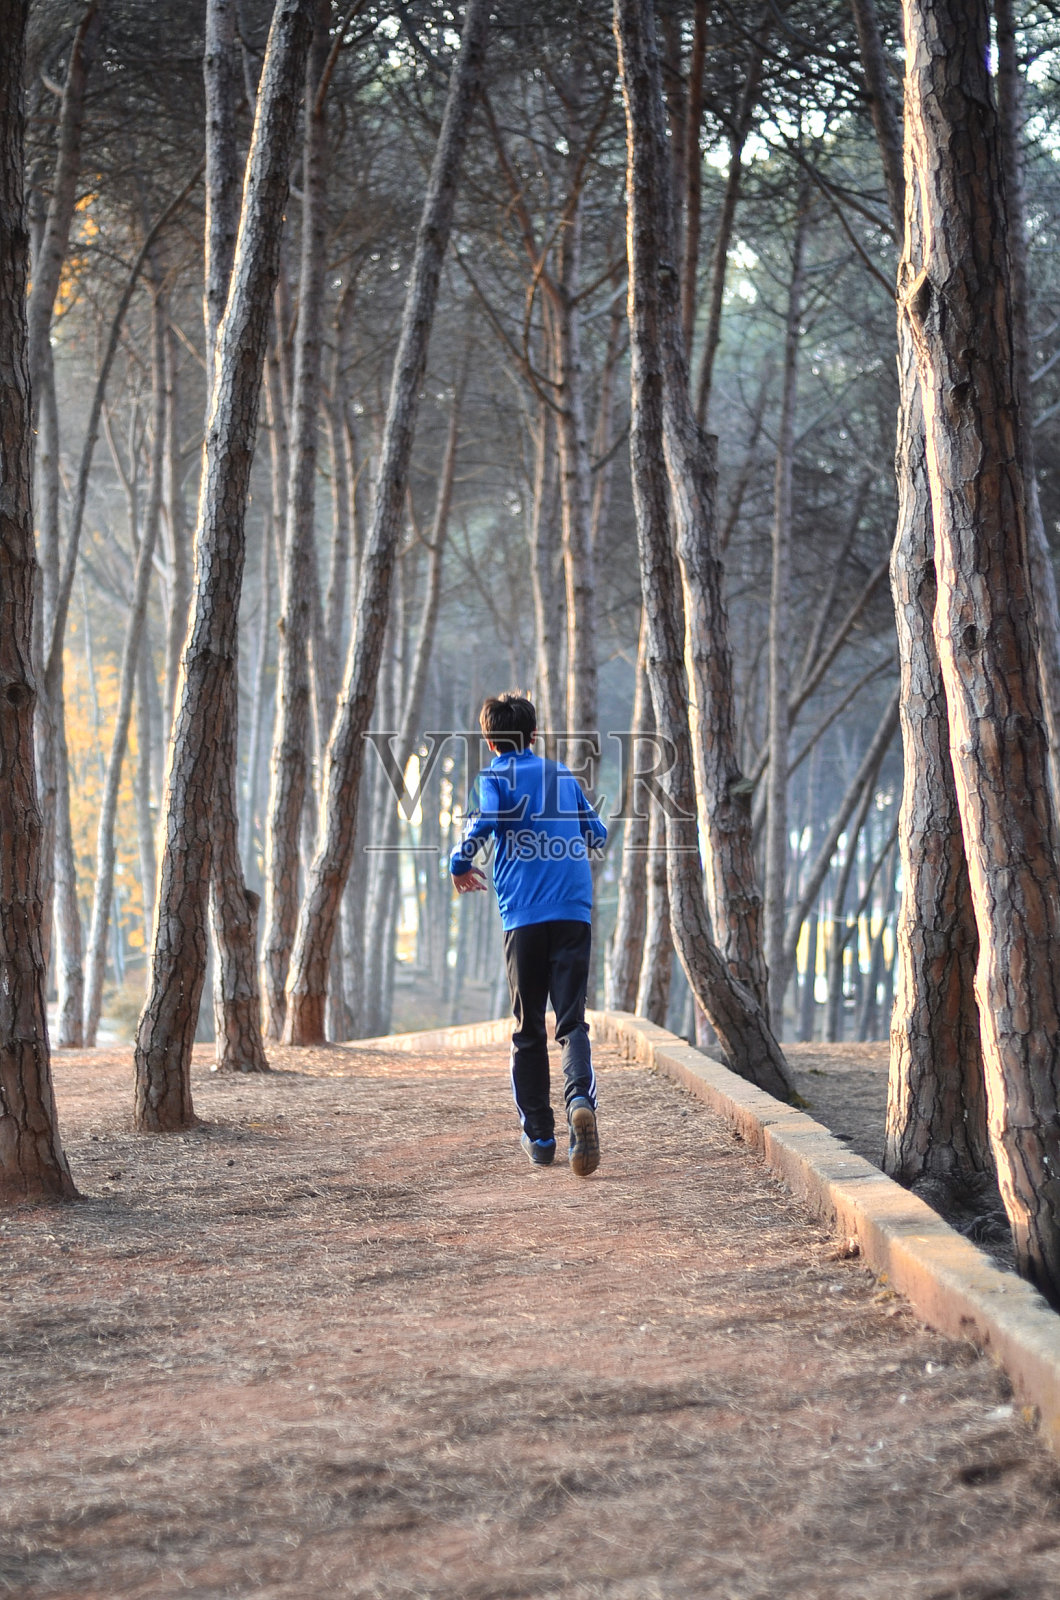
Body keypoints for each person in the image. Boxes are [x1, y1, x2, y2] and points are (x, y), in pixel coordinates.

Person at [450, 692, 607, 1175]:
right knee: (571, 1021)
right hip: (573, 910)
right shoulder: (562, 774)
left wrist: (460, 858)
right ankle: (579, 1096)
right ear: (534, 736)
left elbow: (490, 818)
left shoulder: (492, 777)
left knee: (527, 1027)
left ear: (490, 741)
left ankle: (540, 1137)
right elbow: (597, 833)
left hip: (523, 916)